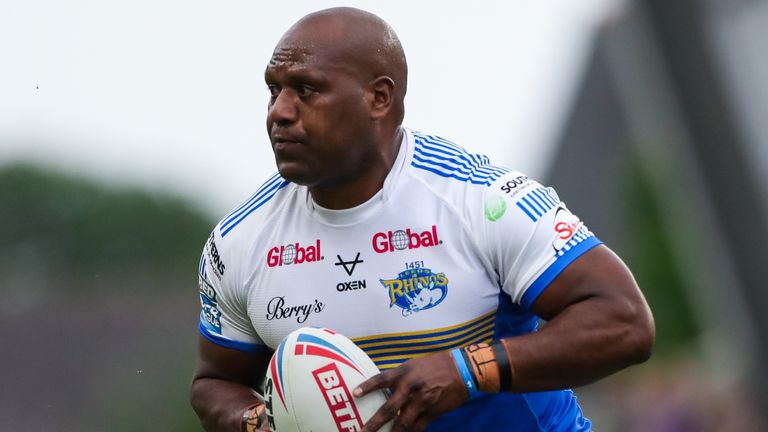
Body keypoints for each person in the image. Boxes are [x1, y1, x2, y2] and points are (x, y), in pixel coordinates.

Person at [190, 7, 655, 432]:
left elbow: (625, 322)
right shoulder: (238, 242)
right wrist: (257, 422)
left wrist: (471, 371)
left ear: (378, 98)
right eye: (274, 90)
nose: (279, 112)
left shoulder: (482, 200)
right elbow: (215, 382)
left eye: (306, 90)